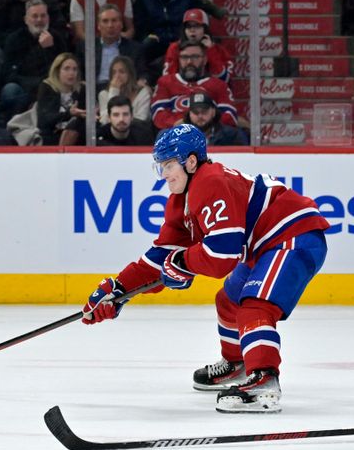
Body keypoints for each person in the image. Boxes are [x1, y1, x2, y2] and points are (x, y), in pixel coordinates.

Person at [81, 124, 329, 413]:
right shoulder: (180, 201)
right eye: (160, 166)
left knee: (254, 307)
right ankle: (238, 364)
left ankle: (264, 380)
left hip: (292, 236)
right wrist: (119, 289)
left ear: (191, 161)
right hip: (264, 245)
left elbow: (223, 254)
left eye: (169, 165)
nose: (164, 174)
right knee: (229, 301)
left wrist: (182, 264)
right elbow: (161, 256)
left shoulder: (209, 182)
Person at [0, 0, 68, 122]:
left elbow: (61, 71)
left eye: (43, 16)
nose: (39, 20)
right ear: (26, 19)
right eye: (35, 16)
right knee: (10, 89)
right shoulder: (14, 39)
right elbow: (9, 74)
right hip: (23, 87)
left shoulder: (57, 38)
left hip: (49, 88)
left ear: (48, 18)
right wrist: (39, 49)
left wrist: (48, 49)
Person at [151, 40, 237, 130]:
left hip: (211, 135)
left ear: (205, 60)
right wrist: (181, 124)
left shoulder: (219, 85)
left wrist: (205, 124)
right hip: (177, 133)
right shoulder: (165, 82)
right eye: (184, 57)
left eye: (195, 57)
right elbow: (158, 114)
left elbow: (230, 115)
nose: (189, 62)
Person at [79, 4, 146, 92]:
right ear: (98, 26)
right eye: (105, 21)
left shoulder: (135, 48)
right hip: (93, 91)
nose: (110, 25)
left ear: (121, 24)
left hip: (125, 91)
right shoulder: (86, 47)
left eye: (114, 20)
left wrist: (143, 80)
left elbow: (144, 73)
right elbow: (79, 73)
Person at [162, 8, 232, 83]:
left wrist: (211, 51)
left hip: (210, 90)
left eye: (197, 26)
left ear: (205, 29)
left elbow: (224, 80)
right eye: (188, 26)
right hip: (181, 91)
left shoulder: (218, 49)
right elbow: (168, 80)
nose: (192, 30)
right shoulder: (175, 48)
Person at [36, 52, 86, 146]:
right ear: (57, 71)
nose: (71, 73)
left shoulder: (82, 89)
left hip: (77, 136)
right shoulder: (47, 87)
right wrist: (69, 114)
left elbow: (84, 115)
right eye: (66, 69)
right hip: (52, 135)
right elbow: (44, 120)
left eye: (74, 69)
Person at [98, 55, 151, 123]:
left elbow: (142, 120)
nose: (117, 76)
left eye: (122, 72)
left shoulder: (142, 93)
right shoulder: (103, 95)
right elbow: (104, 121)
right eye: (114, 73)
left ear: (130, 74)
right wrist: (114, 92)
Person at [69, 0, 134, 42]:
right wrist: (101, 44)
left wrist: (122, 38)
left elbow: (130, 30)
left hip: (120, 45)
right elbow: (80, 33)